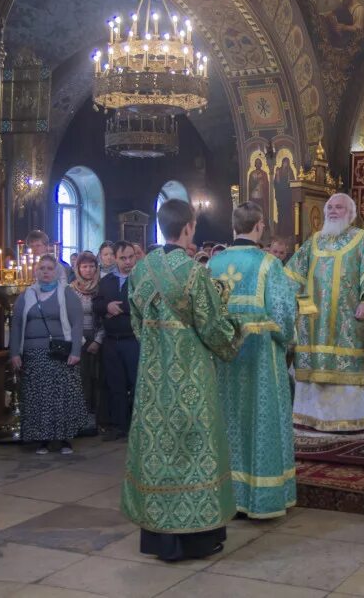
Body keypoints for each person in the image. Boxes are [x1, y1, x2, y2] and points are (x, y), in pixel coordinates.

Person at [123, 198, 242, 561]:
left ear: (161, 226)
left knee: (159, 450)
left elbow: (136, 325)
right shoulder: (195, 273)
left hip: (154, 380)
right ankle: (196, 538)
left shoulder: (141, 272)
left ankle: (159, 538)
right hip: (191, 378)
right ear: (189, 227)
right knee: (195, 452)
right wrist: (236, 332)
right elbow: (214, 329)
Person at [208, 202, 297, 519]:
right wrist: (289, 339)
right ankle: (260, 497)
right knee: (262, 422)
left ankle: (227, 494)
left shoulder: (214, 264)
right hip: (261, 361)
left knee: (227, 422)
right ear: (259, 226)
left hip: (222, 360)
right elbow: (284, 316)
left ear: (234, 227)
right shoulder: (269, 265)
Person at [285, 193, 364, 431]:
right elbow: (291, 274)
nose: (332, 211)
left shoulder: (362, 238)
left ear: (350, 213)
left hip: (348, 318)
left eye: (338, 207)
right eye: (329, 207)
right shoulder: (314, 240)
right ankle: (311, 416)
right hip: (314, 320)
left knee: (347, 364)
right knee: (314, 365)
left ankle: (349, 418)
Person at [10, 255, 87, 455]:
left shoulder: (66, 293)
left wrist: (76, 351)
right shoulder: (26, 295)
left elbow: (77, 323)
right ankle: (42, 439)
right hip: (33, 354)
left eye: (49, 268)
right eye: (41, 268)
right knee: (37, 397)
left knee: (61, 397)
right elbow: (16, 325)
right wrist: (14, 353)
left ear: (56, 271)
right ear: (36, 271)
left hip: (59, 352)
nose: (45, 271)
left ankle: (63, 439)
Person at [92, 241, 141, 441]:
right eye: (123, 258)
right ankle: (120, 426)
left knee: (136, 383)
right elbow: (97, 303)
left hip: (133, 340)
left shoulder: (141, 279)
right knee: (116, 384)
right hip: (112, 342)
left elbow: (143, 303)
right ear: (115, 259)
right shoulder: (107, 281)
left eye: (131, 257)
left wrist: (118, 308)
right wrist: (106, 307)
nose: (127, 262)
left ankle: (137, 427)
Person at [68, 251, 104, 435]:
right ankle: (79, 418)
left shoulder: (102, 287)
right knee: (80, 379)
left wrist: (97, 340)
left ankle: (94, 418)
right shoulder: (70, 289)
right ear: (78, 268)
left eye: (91, 266)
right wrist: (81, 340)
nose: (88, 270)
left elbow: (105, 317)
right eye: (84, 266)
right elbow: (68, 317)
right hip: (77, 338)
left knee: (96, 378)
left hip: (98, 337)